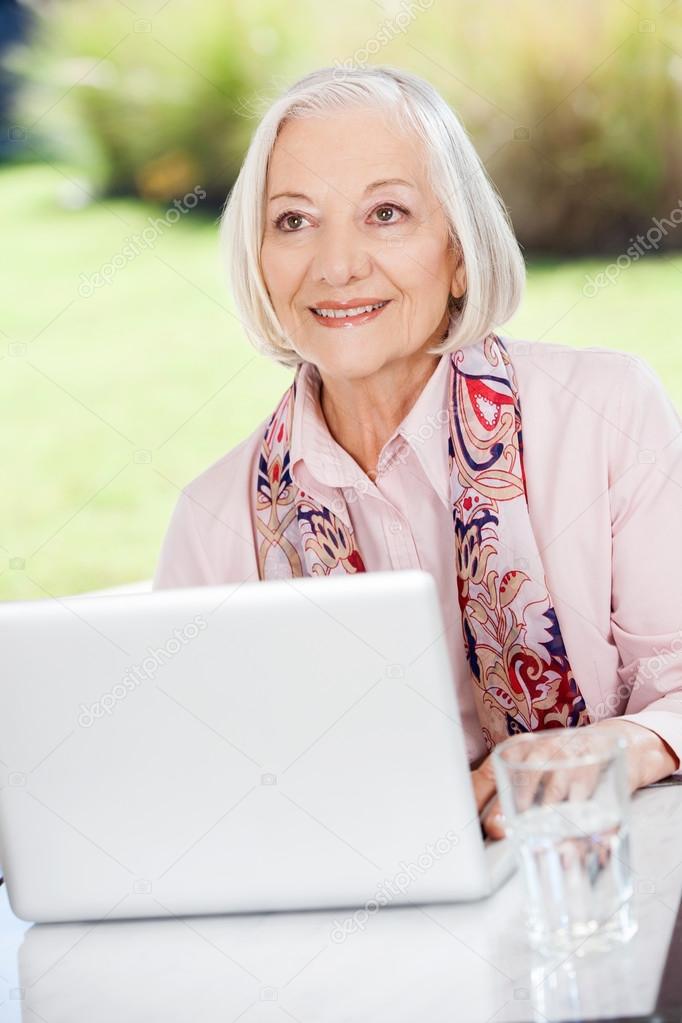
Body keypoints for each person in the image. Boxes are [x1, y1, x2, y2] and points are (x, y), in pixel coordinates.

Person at [153, 65, 682, 837]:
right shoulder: (215, 519)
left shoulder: (604, 412)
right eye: (293, 220)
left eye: (387, 212)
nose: (336, 266)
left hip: (600, 891)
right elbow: (189, 783)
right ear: (259, 261)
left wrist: (624, 743)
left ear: (459, 250)